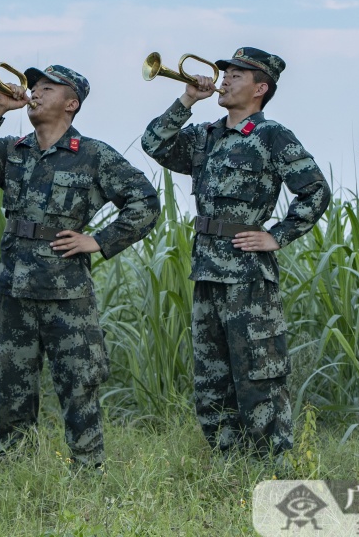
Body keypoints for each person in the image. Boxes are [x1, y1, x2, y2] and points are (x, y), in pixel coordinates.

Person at [0, 65, 159, 468]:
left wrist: (98, 241)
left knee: (79, 385)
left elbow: (146, 203)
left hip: (68, 294)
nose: (36, 93)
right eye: (34, 87)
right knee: (13, 388)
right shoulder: (14, 150)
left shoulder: (94, 154)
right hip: (15, 292)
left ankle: (88, 477)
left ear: (71, 103)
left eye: (47, 88)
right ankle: (15, 475)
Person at [142, 47, 330, 458]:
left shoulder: (271, 135)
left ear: (260, 88)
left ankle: (272, 466)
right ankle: (229, 467)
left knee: (258, 376)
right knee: (211, 380)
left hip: (247, 276)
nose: (225, 79)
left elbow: (315, 190)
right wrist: (187, 99)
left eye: (237, 75)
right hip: (207, 271)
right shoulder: (205, 136)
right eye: (225, 72)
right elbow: (154, 144)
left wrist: (278, 234)